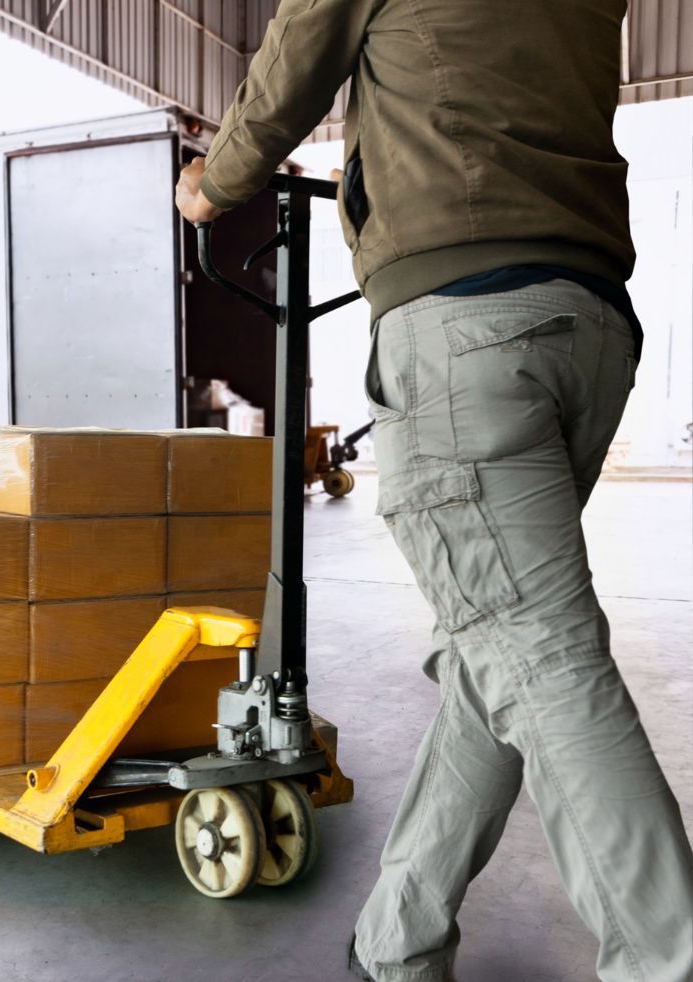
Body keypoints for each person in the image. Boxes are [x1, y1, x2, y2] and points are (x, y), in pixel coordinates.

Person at [173, 1, 693, 979]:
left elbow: (292, 67)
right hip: (589, 326)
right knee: (494, 658)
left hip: (466, 326)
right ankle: (397, 943)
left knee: (539, 659)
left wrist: (212, 185)